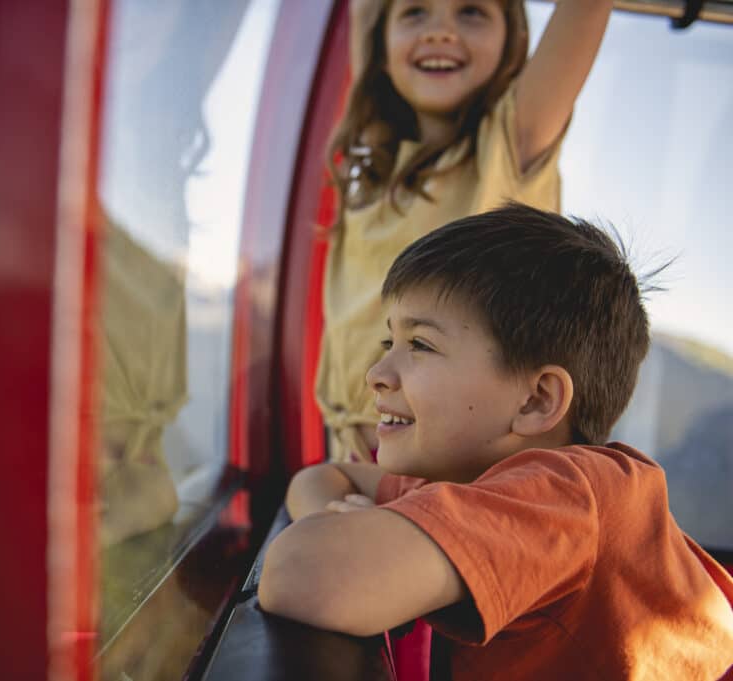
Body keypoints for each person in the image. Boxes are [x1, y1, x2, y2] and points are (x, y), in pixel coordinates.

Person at [260, 204, 733, 679]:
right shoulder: (480, 481)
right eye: (390, 344)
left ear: (535, 400)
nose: (376, 375)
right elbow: (324, 476)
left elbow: (299, 574)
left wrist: (363, 536)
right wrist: (353, 524)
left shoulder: (569, 494)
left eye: (420, 345)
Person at [317, 0, 612, 463]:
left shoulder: (508, 152)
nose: (441, 31)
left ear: (511, 41)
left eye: (472, 11)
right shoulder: (377, 165)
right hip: (351, 472)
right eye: (414, 12)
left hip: (451, 486)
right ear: (380, 45)